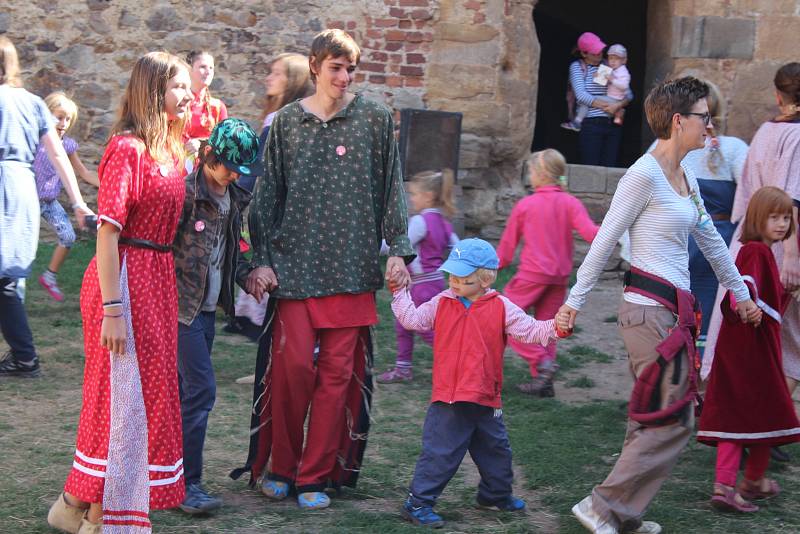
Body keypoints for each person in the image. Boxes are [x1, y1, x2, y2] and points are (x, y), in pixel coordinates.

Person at [556, 76, 760, 534]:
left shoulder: (685, 176)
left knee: (649, 417)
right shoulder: (642, 174)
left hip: (673, 314)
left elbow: (710, 240)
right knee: (673, 419)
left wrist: (742, 295)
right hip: (647, 312)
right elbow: (606, 238)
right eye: (704, 117)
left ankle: (623, 517)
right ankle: (602, 505)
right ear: (678, 120)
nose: (710, 126)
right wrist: (574, 303)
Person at [232, 29, 413, 510]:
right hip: (296, 268)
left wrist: (397, 246)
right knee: (292, 372)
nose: (345, 76)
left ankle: (315, 476)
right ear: (315, 66)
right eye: (336, 67)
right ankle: (283, 468)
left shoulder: (373, 118)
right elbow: (266, 196)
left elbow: (391, 185)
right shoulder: (288, 123)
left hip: (352, 268)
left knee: (336, 379)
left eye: (350, 68)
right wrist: (262, 259)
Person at [47, 51, 192, 533]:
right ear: (154, 90)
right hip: (124, 278)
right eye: (179, 87)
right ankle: (97, 515)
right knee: (121, 400)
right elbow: (108, 232)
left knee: (139, 399)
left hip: (156, 280)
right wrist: (113, 309)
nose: (189, 95)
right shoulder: (127, 148)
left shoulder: (170, 148)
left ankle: (84, 509)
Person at [389, 238, 557, 528]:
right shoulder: (441, 302)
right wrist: (400, 292)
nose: (454, 283)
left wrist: (558, 326)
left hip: (486, 396)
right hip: (450, 399)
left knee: (496, 450)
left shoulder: (502, 307)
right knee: (441, 453)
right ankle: (417, 503)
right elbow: (413, 320)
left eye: (463, 279)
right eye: (451, 276)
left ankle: (495, 495)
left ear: (484, 279)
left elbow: (531, 330)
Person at [173, 118, 263, 514]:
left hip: (207, 311)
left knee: (180, 397)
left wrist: (250, 275)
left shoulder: (233, 199)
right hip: (180, 311)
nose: (232, 174)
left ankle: (166, 476)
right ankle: (187, 485)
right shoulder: (183, 194)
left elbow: (232, 250)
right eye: (227, 165)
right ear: (209, 153)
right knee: (200, 392)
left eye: (240, 170)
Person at [703, 63, 800, 410]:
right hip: (780, 249)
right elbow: (791, 200)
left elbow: (745, 196)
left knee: (759, 335)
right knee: (780, 339)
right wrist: (791, 256)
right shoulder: (797, 135)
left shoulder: (764, 131)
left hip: (748, 244)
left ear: (778, 96)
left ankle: (752, 417)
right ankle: (761, 418)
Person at [698, 186, 800, 513]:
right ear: (758, 218)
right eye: (774, 216)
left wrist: (783, 294)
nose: (782, 223)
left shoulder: (765, 253)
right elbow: (744, 285)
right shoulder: (755, 251)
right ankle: (736, 484)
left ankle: (742, 482)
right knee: (753, 413)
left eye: (786, 216)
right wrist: (746, 303)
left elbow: (764, 299)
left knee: (752, 414)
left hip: (751, 349)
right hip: (748, 352)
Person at [0, 37, 91, 379]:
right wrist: (78, 202)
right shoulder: (34, 103)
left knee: (7, 280)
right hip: (22, 188)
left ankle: (25, 357)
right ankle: (24, 357)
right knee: (7, 279)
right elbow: (58, 155)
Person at [649, 80, 748, 356]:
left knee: (679, 304)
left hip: (680, 240)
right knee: (710, 309)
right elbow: (749, 196)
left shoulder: (665, 148)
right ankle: (702, 371)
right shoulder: (735, 148)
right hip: (720, 242)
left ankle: (676, 363)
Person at [226, 52, 314, 350]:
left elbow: (255, 168)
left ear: (293, 81)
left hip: (279, 218)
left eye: (276, 73)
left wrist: (231, 198)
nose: (269, 78)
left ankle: (274, 361)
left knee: (273, 287)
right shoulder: (302, 117)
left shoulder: (279, 119)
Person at [497, 149, 598, 397]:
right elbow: (591, 234)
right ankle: (543, 383)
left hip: (531, 275)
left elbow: (507, 249)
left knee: (504, 319)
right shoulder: (571, 203)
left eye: (531, 171)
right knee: (547, 327)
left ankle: (542, 363)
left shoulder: (526, 205)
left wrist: (489, 266)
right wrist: (621, 231)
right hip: (559, 278)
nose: (529, 175)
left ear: (541, 174)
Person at [377, 168, 459, 384]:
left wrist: (377, 245)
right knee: (403, 323)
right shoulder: (444, 223)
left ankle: (457, 361)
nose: (411, 199)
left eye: (414, 194)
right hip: (435, 283)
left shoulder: (420, 222)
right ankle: (403, 368)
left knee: (422, 327)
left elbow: (402, 245)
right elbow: (459, 248)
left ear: (428, 196)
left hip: (421, 286)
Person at [34, 91, 100, 302]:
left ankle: (49, 276)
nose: (63, 123)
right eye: (59, 117)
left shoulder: (67, 146)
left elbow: (84, 172)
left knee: (69, 237)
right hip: (28, 202)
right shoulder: (34, 139)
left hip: (49, 203)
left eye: (68, 119)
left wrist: (110, 183)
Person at [561, 32, 632, 167]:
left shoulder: (607, 65)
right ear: (584, 53)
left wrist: (617, 106)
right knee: (591, 168)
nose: (600, 54)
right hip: (591, 123)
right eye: (595, 52)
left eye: (601, 51)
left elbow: (628, 94)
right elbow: (582, 96)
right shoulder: (578, 67)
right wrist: (608, 106)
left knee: (609, 167)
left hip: (613, 123)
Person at [183, 50, 228, 173]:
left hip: (205, 172)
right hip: (175, 167)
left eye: (211, 68)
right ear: (189, 70)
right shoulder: (178, 103)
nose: (208, 72)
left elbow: (224, 143)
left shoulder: (217, 107)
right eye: (203, 67)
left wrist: (201, 143)